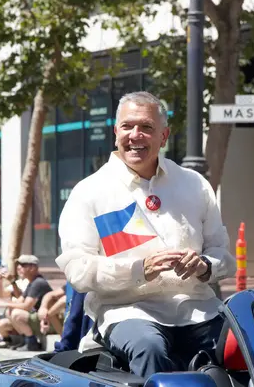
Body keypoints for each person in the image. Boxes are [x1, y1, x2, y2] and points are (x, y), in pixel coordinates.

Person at [56, 91, 235, 378]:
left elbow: (223, 256)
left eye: (146, 128)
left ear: (163, 137)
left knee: (249, 346)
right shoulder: (89, 192)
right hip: (127, 312)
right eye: (127, 126)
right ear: (115, 132)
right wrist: (140, 270)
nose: (135, 135)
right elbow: (78, 270)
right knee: (149, 346)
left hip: (199, 310)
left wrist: (204, 266)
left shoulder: (195, 185)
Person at [0, 254, 53, 351]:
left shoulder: (38, 283)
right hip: (36, 317)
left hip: (47, 320)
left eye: (23, 265)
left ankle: (32, 343)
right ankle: (24, 341)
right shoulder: (31, 283)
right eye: (18, 265)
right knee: (9, 312)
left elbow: (26, 306)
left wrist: (4, 304)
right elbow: (20, 300)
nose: (19, 268)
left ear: (33, 267)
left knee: (16, 314)